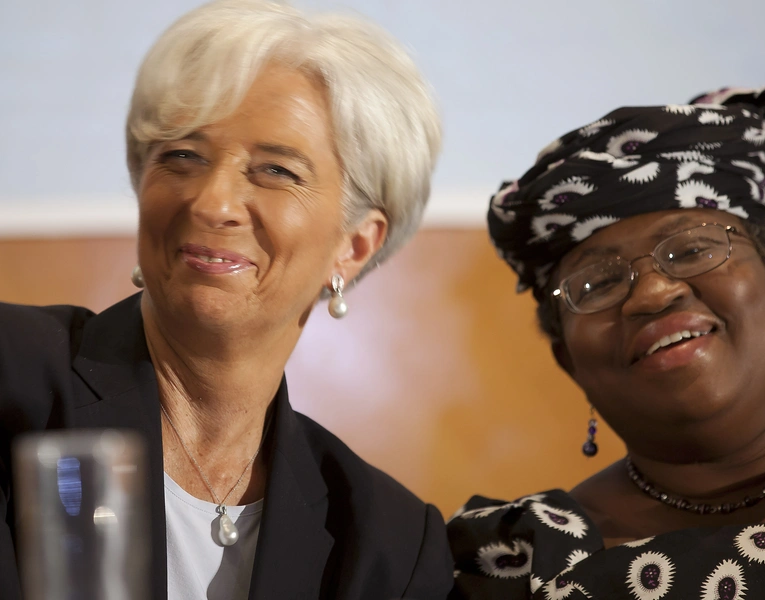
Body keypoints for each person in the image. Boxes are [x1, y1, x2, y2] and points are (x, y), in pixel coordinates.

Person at [0, 1, 452, 599]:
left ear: (354, 245)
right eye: (183, 156)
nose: (213, 203)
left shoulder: (385, 539)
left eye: (275, 170)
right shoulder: (13, 376)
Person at [448, 70, 765, 599]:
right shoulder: (527, 565)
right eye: (598, 283)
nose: (652, 294)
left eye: (691, 250)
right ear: (569, 361)